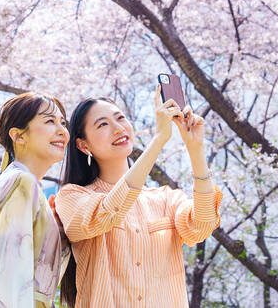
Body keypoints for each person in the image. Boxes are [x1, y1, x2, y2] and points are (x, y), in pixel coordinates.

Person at [51, 87, 222, 307]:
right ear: (83, 145)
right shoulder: (73, 198)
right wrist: (159, 139)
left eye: (120, 118)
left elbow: (202, 225)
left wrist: (196, 149)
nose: (118, 128)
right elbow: (107, 213)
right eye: (103, 124)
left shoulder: (165, 199)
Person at [0, 92, 71, 308]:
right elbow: (12, 282)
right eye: (49, 121)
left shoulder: (20, 183)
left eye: (63, 122)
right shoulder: (20, 182)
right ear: (19, 136)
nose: (62, 131)